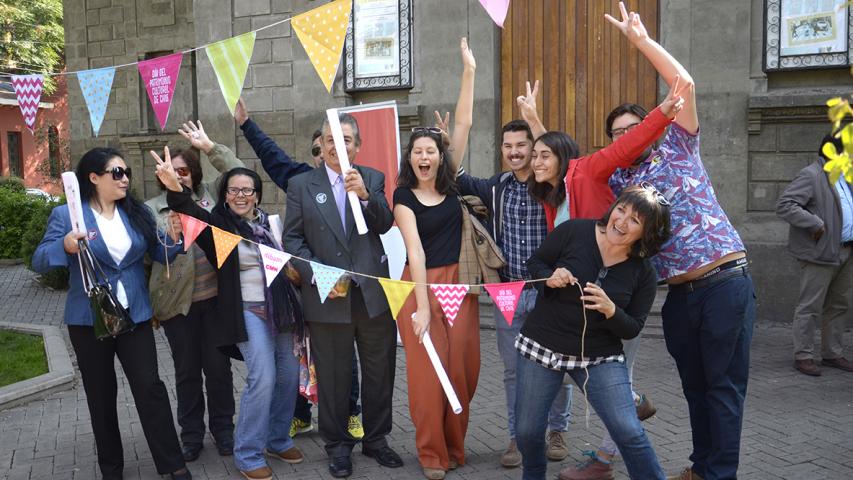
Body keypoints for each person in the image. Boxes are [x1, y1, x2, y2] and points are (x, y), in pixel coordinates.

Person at [606, 5, 755, 479]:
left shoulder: (678, 143)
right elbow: (577, 173)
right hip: (679, 297)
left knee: (724, 389)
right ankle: (702, 466)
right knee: (695, 387)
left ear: (652, 124)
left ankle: (719, 474)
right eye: (617, 135)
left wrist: (642, 43)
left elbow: (684, 84)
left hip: (724, 284)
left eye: (635, 126)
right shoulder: (621, 185)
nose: (629, 136)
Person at [446, 37, 574, 466]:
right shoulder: (496, 187)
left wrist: (535, 120)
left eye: (525, 147)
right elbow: (454, 176)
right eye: (511, 147)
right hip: (509, 292)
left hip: (552, 288)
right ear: (502, 151)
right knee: (514, 369)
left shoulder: (548, 184)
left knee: (556, 364)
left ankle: (556, 433)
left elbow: (561, 161)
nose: (519, 153)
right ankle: (520, 437)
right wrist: (450, 144)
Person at [33, 147, 190, 480]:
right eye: (116, 172)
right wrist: (65, 246)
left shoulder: (136, 213)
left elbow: (161, 251)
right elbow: (40, 259)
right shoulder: (68, 216)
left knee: (151, 388)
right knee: (101, 396)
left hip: (135, 315)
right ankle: (112, 469)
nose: (125, 178)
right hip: (89, 320)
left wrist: (176, 241)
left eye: (126, 172)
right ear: (93, 177)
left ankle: (173, 465)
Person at [154, 149, 304, 480]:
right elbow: (189, 209)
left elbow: (293, 264)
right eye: (233, 190)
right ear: (225, 195)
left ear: (257, 195)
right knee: (262, 376)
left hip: (281, 310)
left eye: (247, 190)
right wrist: (174, 186)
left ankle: (278, 438)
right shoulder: (217, 226)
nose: (240, 195)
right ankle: (248, 453)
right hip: (247, 310)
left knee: (289, 375)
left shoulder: (271, 225)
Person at [230, 102, 366, 440]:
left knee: (345, 355)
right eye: (318, 149)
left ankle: (351, 412)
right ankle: (300, 415)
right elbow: (271, 156)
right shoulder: (301, 181)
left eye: (332, 145)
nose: (324, 154)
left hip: (345, 290)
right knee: (300, 351)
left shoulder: (357, 183)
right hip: (308, 285)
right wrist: (246, 123)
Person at [516, 185, 671, 480]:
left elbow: (633, 327)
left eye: (635, 220)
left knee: (627, 428)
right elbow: (535, 264)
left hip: (599, 357)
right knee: (527, 431)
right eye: (621, 209)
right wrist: (549, 278)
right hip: (542, 344)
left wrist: (612, 310)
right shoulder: (574, 231)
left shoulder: (643, 272)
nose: (622, 221)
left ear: (646, 235)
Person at [282, 113, 403, 478]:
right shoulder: (301, 185)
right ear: (321, 144)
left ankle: (377, 440)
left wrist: (366, 197)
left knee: (380, 372)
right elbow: (292, 240)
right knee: (334, 377)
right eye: (331, 139)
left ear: (358, 145)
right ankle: (337, 446)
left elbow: (384, 224)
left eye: (346, 139)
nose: (339, 146)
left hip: (372, 296)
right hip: (328, 296)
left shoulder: (373, 178)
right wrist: (319, 274)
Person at [146, 119, 244, 462]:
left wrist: (209, 147)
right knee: (186, 374)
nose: (179, 175)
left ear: (195, 173)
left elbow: (240, 175)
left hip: (216, 302)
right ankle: (190, 436)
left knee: (218, 372)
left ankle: (224, 431)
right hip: (178, 306)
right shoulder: (152, 209)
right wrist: (168, 238)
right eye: (172, 171)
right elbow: (146, 257)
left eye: (185, 170)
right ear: (161, 175)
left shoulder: (214, 201)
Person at [394, 126, 480, 480]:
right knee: (428, 374)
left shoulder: (453, 187)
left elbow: (465, 124)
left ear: (441, 156)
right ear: (410, 157)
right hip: (418, 285)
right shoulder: (403, 195)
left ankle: (454, 446)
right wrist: (423, 306)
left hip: (458, 284)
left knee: (462, 367)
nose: (424, 157)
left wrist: (471, 68)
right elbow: (414, 249)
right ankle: (431, 453)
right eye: (417, 151)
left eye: (430, 150)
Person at [776, 132, 853, 376]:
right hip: (819, 252)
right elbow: (785, 205)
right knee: (810, 306)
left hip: (846, 250)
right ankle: (804, 355)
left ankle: (832, 353)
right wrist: (815, 224)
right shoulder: (811, 175)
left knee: (839, 305)